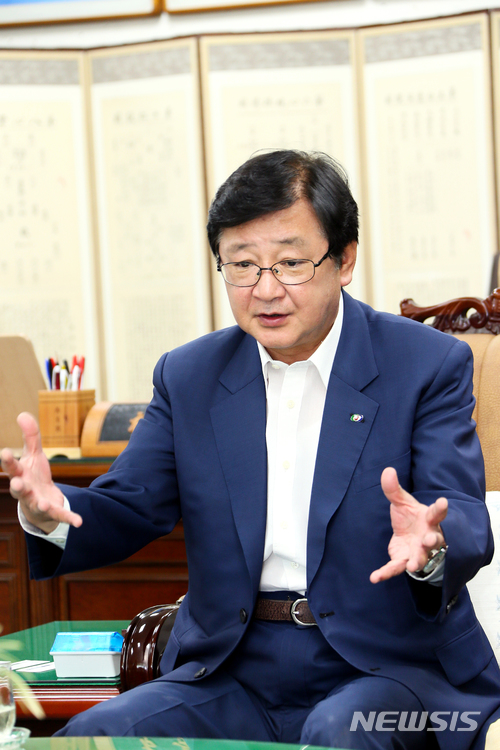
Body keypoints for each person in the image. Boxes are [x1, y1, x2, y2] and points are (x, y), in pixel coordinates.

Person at [2, 149, 500, 750]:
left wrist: (433, 545)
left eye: (290, 263)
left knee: (343, 733)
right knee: (94, 735)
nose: (265, 290)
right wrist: (47, 514)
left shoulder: (425, 364)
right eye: (241, 265)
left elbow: (465, 516)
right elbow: (131, 505)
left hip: (390, 669)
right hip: (233, 668)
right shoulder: (189, 375)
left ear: (344, 260)